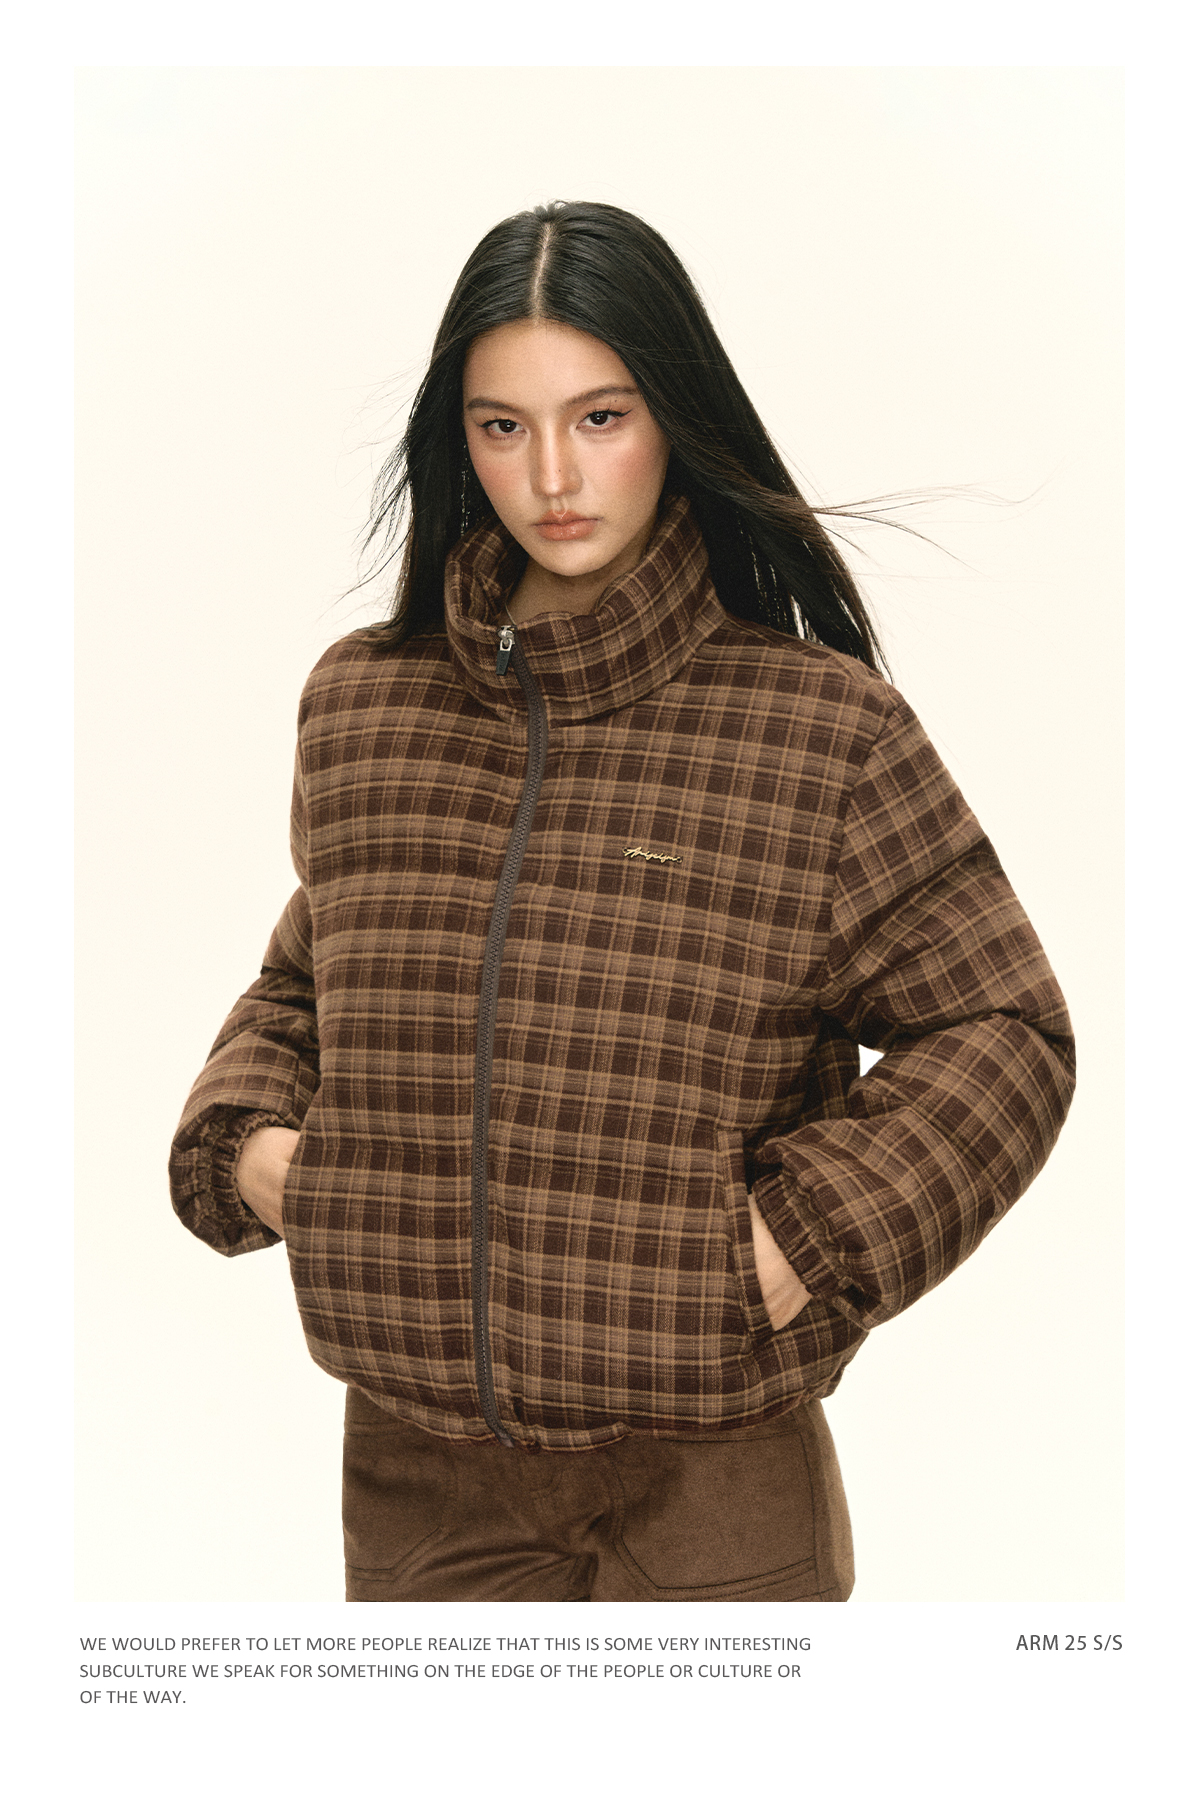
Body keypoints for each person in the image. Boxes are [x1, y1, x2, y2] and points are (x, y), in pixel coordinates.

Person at [169, 200, 1075, 1604]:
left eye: (600, 417)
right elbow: (311, 970)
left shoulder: (818, 732)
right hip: (419, 1483)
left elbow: (1004, 1030)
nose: (552, 476)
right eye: (503, 426)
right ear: (457, 441)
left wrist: (796, 1241)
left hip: (713, 1485)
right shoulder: (365, 704)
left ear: (673, 415)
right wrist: (254, 1149)